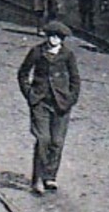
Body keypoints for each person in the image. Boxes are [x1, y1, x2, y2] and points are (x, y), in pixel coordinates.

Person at [16, 20, 80, 195]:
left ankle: (50, 176)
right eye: (52, 36)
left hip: (61, 104)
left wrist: (71, 98)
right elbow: (23, 73)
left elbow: (75, 78)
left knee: (57, 141)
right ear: (47, 36)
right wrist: (30, 94)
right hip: (41, 103)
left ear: (63, 39)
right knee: (43, 139)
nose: (54, 40)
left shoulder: (67, 55)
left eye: (58, 37)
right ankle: (37, 178)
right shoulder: (37, 52)